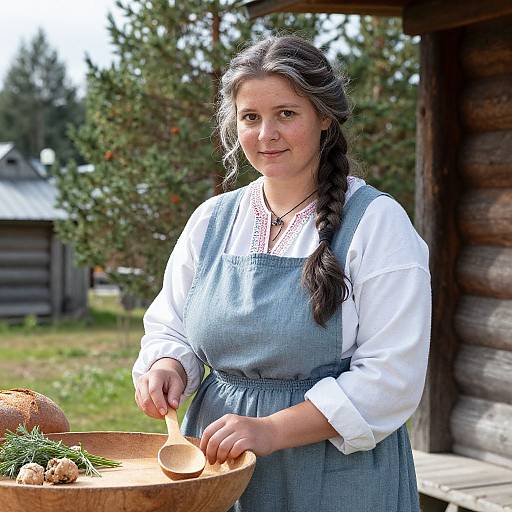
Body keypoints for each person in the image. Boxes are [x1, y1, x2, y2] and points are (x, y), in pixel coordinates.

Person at [132, 34, 431, 512]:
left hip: (334, 474)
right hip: (215, 464)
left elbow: (391, 377)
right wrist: (168, 365)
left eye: (286, 114)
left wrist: (271, 430)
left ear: (325, 117)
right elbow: (172, 324)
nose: (265, 134)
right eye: (250, 117)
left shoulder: (377, 223)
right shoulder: (212, 220)